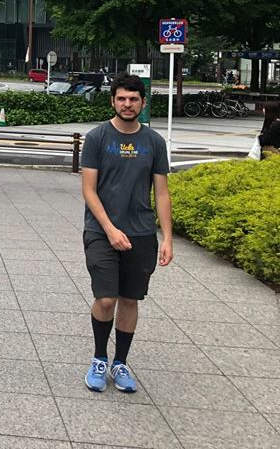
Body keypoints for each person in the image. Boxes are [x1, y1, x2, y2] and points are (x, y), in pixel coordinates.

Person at [80, 72, 172, 394]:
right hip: (101, 231)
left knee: (130, 299)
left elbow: (161, 193)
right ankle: (99, 358)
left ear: (143, 103)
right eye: (121, 98)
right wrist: (110, 229)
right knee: (106, 299)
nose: (127, 104)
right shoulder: (97, 138)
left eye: (133, 99)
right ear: (113, 101)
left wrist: (167, 238)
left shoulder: (154, 142)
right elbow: (89, 191)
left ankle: (120, 362)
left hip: (142, 233)